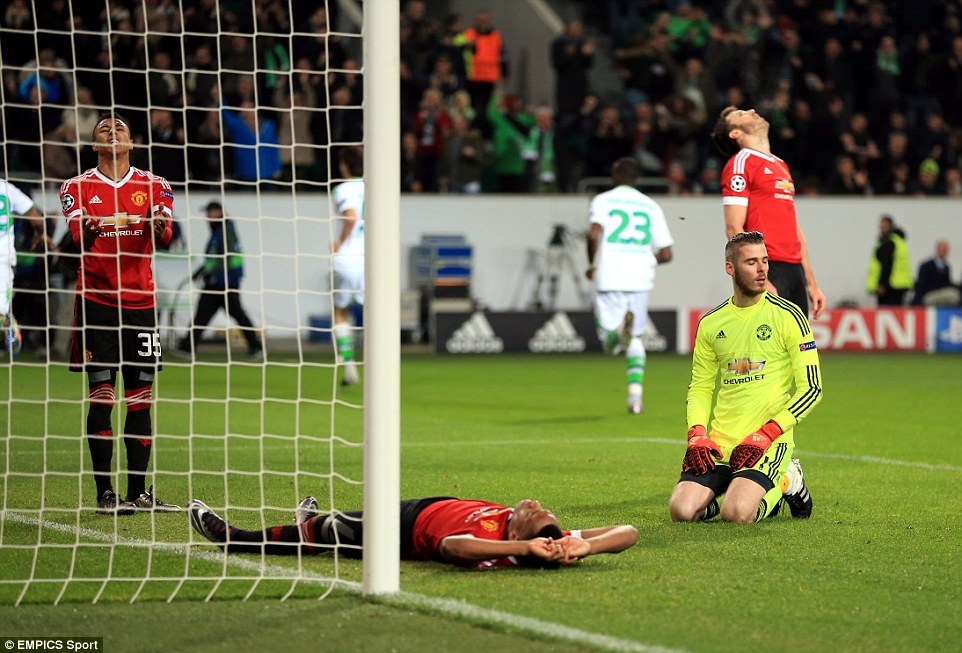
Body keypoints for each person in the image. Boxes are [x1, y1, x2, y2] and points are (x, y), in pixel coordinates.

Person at [59, 113, 180, 515]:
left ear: (132, 143)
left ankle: (139, 493)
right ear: (95, 145)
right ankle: (105, 494)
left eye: (121, 127)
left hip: (141, 305)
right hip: (97, 302)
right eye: (104, 128)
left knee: (141, 398)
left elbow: (165, 235)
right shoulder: (75, 187)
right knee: (103, 397)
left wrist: (160, 226)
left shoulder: (155, 185)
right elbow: (79, 237)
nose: (113, 131)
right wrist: (91, 230)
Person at [668, 231, 822, 524]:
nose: (762, 269)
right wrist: (697, 434)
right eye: (751, 262)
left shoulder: (789, 316)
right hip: (722, 442)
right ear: (731, 268)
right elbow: (700, 387)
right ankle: (731, 492)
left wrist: (768, 433)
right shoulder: (711, 323)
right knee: (681, 511)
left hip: (768, 442)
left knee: (737, 513)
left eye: (765, 260)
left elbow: (812, 389)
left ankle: (787, 479)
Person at [187, 495, 638, 569]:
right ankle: (304, 521)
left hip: (403, 531)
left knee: (329, 531)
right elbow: (629, 531)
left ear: (521, 532)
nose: (535, 504)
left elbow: (452, 546)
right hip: (421, 507)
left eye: (533, 512)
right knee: (330, 524)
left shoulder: (504, 543)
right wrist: (587, 545)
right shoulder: (546, 536)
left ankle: (234, 538)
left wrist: (522, 546)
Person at [711, 106, 826, 320]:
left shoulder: (780, 165)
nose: (751, 110)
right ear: (735, 133)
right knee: (767, 339)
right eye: (741, 114)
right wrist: (760, 281)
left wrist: (812, 282)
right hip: (769, 266)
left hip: (794, 271)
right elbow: (734, 228)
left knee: (798, 341)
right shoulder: (740, 164)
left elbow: (794, 227)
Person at [586, 157, 673, 415]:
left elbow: (593, 234)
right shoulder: (651, 205)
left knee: (609, 344)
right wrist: (646, 259)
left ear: (614, 176)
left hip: (610, 274)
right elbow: (666, 254)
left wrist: (591, 263)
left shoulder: (603, 200)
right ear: (637, 179)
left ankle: (617, 331)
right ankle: (635, 399)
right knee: (635, 339)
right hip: (640, 278)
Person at [176, 201, 262, 359]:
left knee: (228, 314)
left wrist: (207, 273)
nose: (207, 217)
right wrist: (200, 272)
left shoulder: (225, 230)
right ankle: (186, 348)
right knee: (205, 315)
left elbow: (225, 258)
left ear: (218, 212)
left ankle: (256, 347)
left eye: (210, 212)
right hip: (217, 281)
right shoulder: (220, 230)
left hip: (225, 282)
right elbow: (213, 258)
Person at [331, 146, 365, 386]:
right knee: (375, 312)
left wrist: (339, 243)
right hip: (373, 258)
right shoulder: (375, 187)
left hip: (349, 258)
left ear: (344, 166)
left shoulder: (342, 188)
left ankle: (350, 367)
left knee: (340, 312)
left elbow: (350, 217)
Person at [1, 177, 44, 355]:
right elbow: (36, 219)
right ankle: (6, 321)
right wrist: (40, 234)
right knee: (1, 311)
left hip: (3, 259)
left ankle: (6, 322)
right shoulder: (6, 188)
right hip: (3, 260)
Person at [867, 214, 913, 307]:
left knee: (887, 311)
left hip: (890, 286)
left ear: (891, 227)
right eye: (881, 226)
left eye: (885, 226)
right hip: (899, 284)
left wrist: (882, 284)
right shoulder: (899, 241)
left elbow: (886, 265)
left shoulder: (889, 243)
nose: (882, 228)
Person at [912, 240, 959, 306]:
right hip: (927, 296)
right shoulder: (926, 265)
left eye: (945, 250)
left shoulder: (946, 267)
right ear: (937, 250)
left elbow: (947, 283)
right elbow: (921, 284)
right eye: (942, 250)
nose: (944, 252)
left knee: (954, 294)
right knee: (952, 295)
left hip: (940, 295)